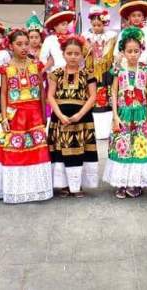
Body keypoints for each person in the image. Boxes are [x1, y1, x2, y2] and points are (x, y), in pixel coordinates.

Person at [0, 29, 53, 203]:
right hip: (14, 116)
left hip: (34, 115)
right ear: (10, 46)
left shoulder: (36, 66)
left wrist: (44, 115)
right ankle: (16, 190)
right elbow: (4, 93)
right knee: (16, 151)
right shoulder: (6, 69)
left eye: (26, 44)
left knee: (37, 151)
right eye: (19, 44)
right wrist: (4, 117)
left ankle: (36, 189)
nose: (23, 47)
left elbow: (42, 93)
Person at [102, 26, 147, 198]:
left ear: (141, 51)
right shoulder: (118, 68)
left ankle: (135, 182)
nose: (133, 54)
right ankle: (121, 182)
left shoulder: (145, 67)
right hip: (124, 114)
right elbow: (113, 92)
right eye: (129, 51)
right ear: (123, 52)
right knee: (123, 147)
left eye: (136, 51)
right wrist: (115, 116)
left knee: (139, 147)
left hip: (140, 114)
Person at [47, 35, 98, 197]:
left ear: (82, 55)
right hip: (60, 120)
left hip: (81, 120)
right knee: (62, 151)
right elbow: (50, 96)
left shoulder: (88, 74)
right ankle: (63, 185)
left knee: (80, 151)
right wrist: (60, 115)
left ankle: (77, 186)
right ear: (63, 54)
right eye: (69, 53)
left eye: (77, 53)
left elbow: (92, 96)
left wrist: (80, 114)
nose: (73, 57)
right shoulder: (56, 73)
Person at [82, 6, 116, 142]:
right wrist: (88, 49)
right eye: (94, 25)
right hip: (91, 72)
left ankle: (105, 130)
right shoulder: (85, 37)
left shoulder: (111, 37)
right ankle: (92, 129)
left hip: (106, 72)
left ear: (104, 24)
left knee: (105, 100)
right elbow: (83, 54)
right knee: (92, 99)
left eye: (99, 25)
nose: (96, 27)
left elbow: (112, 54)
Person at [117, 1, 147, 73]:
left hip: (143, 66)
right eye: (133, 16)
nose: (136, 18)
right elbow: (118, 51)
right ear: (129, 17)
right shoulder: (124, 32)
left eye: (139, 15)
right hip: (127, 66)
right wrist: (119, 67)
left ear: (143, 17)